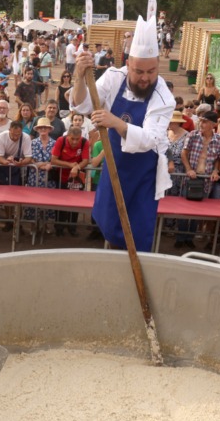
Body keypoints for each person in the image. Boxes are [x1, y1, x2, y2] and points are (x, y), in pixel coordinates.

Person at [70, 17, 174, 251]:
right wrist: (79, 75)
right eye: (139, 71)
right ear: (129, 63)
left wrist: (115, 122)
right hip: (115, 165)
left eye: (151, 71)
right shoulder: (115, 77)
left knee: (136, 235)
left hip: (142, 175)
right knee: (110, 225)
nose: (145, 78)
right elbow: (83, 105)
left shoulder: (163, 96)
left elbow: (150, 139)